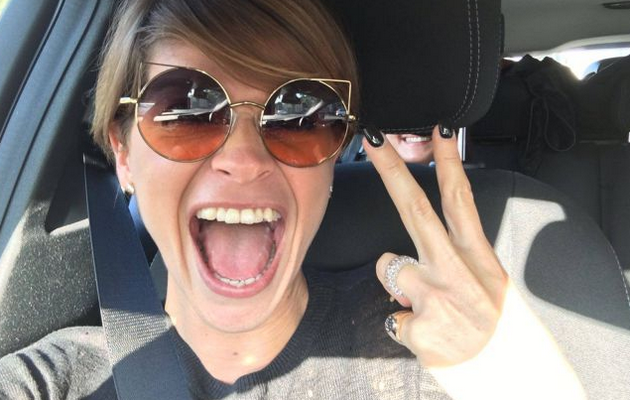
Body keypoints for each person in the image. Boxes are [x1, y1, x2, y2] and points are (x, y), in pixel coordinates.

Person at [0, 1, 586, 399]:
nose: (244, 159)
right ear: (123, 153)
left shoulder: (436, 353)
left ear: (336, 153)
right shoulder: (51, 382)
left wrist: (529, 385)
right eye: (185, 110)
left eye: (300, 115)